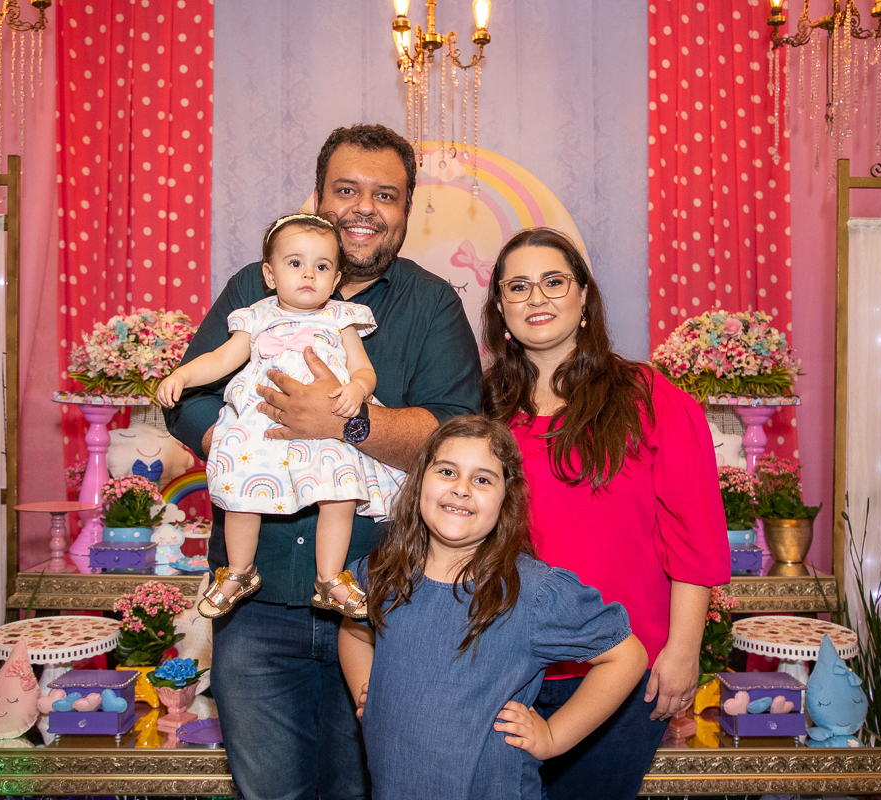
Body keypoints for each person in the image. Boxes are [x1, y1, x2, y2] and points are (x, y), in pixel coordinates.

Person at [163, 124, 481, 800]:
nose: (365, 208)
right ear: (317, 198)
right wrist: (237, 444)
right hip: (256, 606)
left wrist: (344, 425)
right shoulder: (253, 289)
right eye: (346, 190)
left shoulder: (431, 305)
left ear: (407, 209)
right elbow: (189, 394)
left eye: (385, 195)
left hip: (382, 605)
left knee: (367, 790)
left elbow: (454, 439)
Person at [480, 227, 730, 798]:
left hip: (620, 669)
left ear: (584, 295)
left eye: (553, 281)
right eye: (518, 286)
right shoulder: (481, 404)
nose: (536, 297)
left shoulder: (648, 396)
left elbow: (693, 533)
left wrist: (683, 650)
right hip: (504, 669)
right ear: (499, 307)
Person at [339, 416, 648, 800]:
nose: (461, 489)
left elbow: (626, 656)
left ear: (506, 499)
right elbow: (354, 630)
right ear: (418, 483)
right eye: (447, 471)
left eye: (483, 479)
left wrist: (553, 736)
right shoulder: (379, 573)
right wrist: (367, 690)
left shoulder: (534, 592)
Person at [157, 213, 403, 619]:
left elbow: (363, 369)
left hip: (327, 425)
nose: (308, 274)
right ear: (270, 275)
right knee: (241, 491)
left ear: (336, 279)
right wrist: (181, 375)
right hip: (261, 425)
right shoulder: (255, 317)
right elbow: (220, 359)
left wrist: (358, 389)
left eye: (321, 267)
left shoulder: (341, 318)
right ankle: (239, 571)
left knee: (340, 493)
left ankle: (330, 578)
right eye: (295, 263)